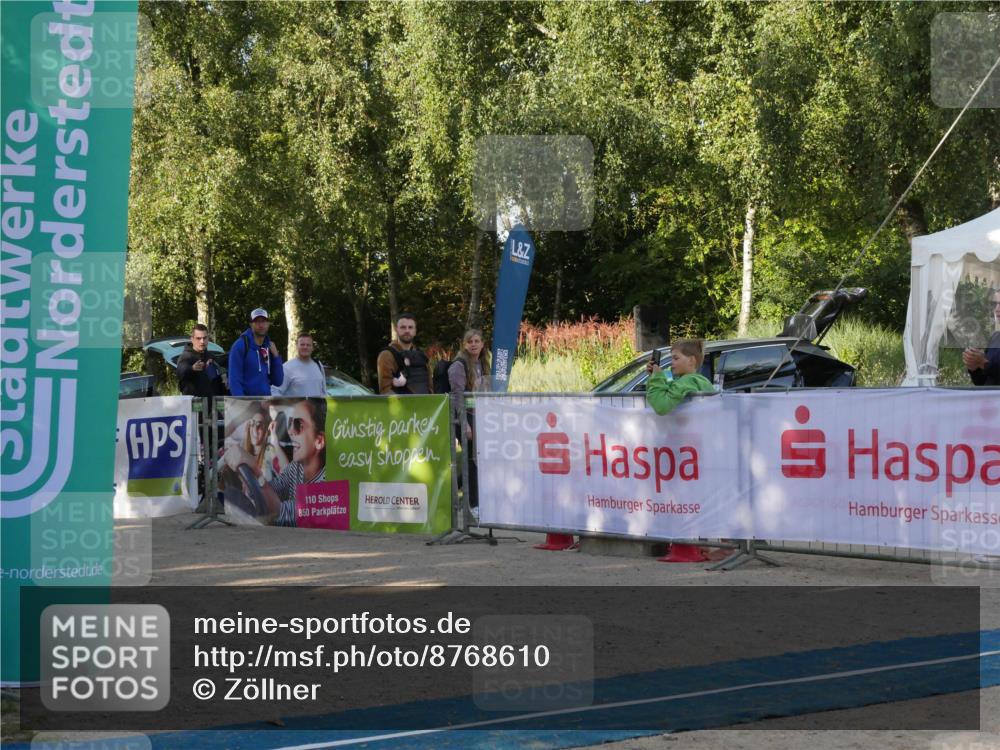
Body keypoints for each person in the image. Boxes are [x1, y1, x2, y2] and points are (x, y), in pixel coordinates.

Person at [263, 398, 327, 527]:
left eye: (298, 425)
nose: (290, 431)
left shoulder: (327, 481)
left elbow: (279, 513)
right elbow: (276, 488)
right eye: (290, 423)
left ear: (319, 441)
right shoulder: (296, 467)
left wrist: (254, 472)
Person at [448, 330, 491, 519]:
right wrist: (464, 424)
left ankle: (458, 492)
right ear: (464, 345)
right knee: (472, 460)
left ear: (482, 344)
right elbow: (458, 397)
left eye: (477, 341)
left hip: (481, 416)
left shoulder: (483, 363)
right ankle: (473, 504)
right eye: (469, 342)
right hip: (466, 416)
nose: (473, 344)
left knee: (477, 459)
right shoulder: (459, 365)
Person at [645, 338, 714, 415]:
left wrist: (657, 377)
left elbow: (661, 406)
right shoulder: (700, 380)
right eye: (672, 358)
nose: (672, 362)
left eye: (676, 358)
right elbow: (669, 386)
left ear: (691, 360)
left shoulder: (688, 381)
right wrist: (653, 376)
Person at [228, 308, 284, 396]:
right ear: (251, 324)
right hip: (247, 405)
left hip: (265, 404)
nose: (261, 325)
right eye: (257, 321)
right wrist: (242, 404)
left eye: (264, 321)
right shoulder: (240, 346)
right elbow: (234, 381)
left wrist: (276, 357)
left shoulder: (269, 347)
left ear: (269, 323)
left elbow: (278, 381)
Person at [377, 312, 431, 394]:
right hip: (402, 405)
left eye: (410, 327)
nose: (407, 331)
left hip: (425, 404)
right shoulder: (387, 355)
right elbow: (385, 391)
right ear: (396, 329)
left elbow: (430, 386)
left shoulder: (421, 355)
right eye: (403, 327)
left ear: (415, 331)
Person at [176, 323, 226, 398]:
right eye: (198, 338)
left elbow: (221, 366)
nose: (202, 341)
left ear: (208, 338)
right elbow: (181, 371)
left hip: (213, 406)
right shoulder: (185, 357)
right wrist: (192, 368)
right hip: (194, 406)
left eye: (204, 338)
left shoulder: (210, 356)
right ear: (192, 339)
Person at [962, 288, 1000, 386]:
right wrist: (974, 367)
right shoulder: (995, 337)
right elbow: (982, 383)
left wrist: (983, 363)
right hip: (990, 400)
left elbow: (988, 366)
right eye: (995, 304)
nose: (997, 309)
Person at [272, 333, 326, 397]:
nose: (305, 347)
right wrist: (287, 406)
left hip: (317, 406)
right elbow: (275, 391)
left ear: (312, 348)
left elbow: (323, 391)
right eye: (302, 345)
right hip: (294, 407)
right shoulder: (286, 367)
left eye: (308, 345)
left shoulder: (318, 365)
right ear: (296, 346)